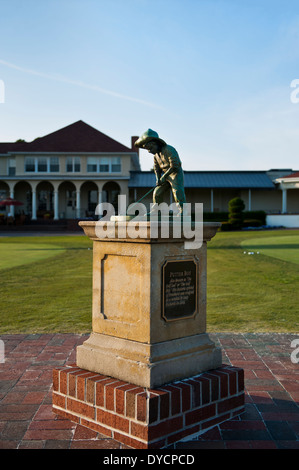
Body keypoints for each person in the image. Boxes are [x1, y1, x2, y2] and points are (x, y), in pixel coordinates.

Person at [135, 129, 186, 214]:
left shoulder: (169, 149)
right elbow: (157, 168)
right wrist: (158, 178)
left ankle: (183, 211)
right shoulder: (156, 156)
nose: (150, 151)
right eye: (148, 150)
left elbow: (175, 165)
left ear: (156, 144)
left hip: (175, 173)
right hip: (165, 175)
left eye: (151, 148)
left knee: (177, 191)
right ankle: (157, 211)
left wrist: (164, 176)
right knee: (157, 192)